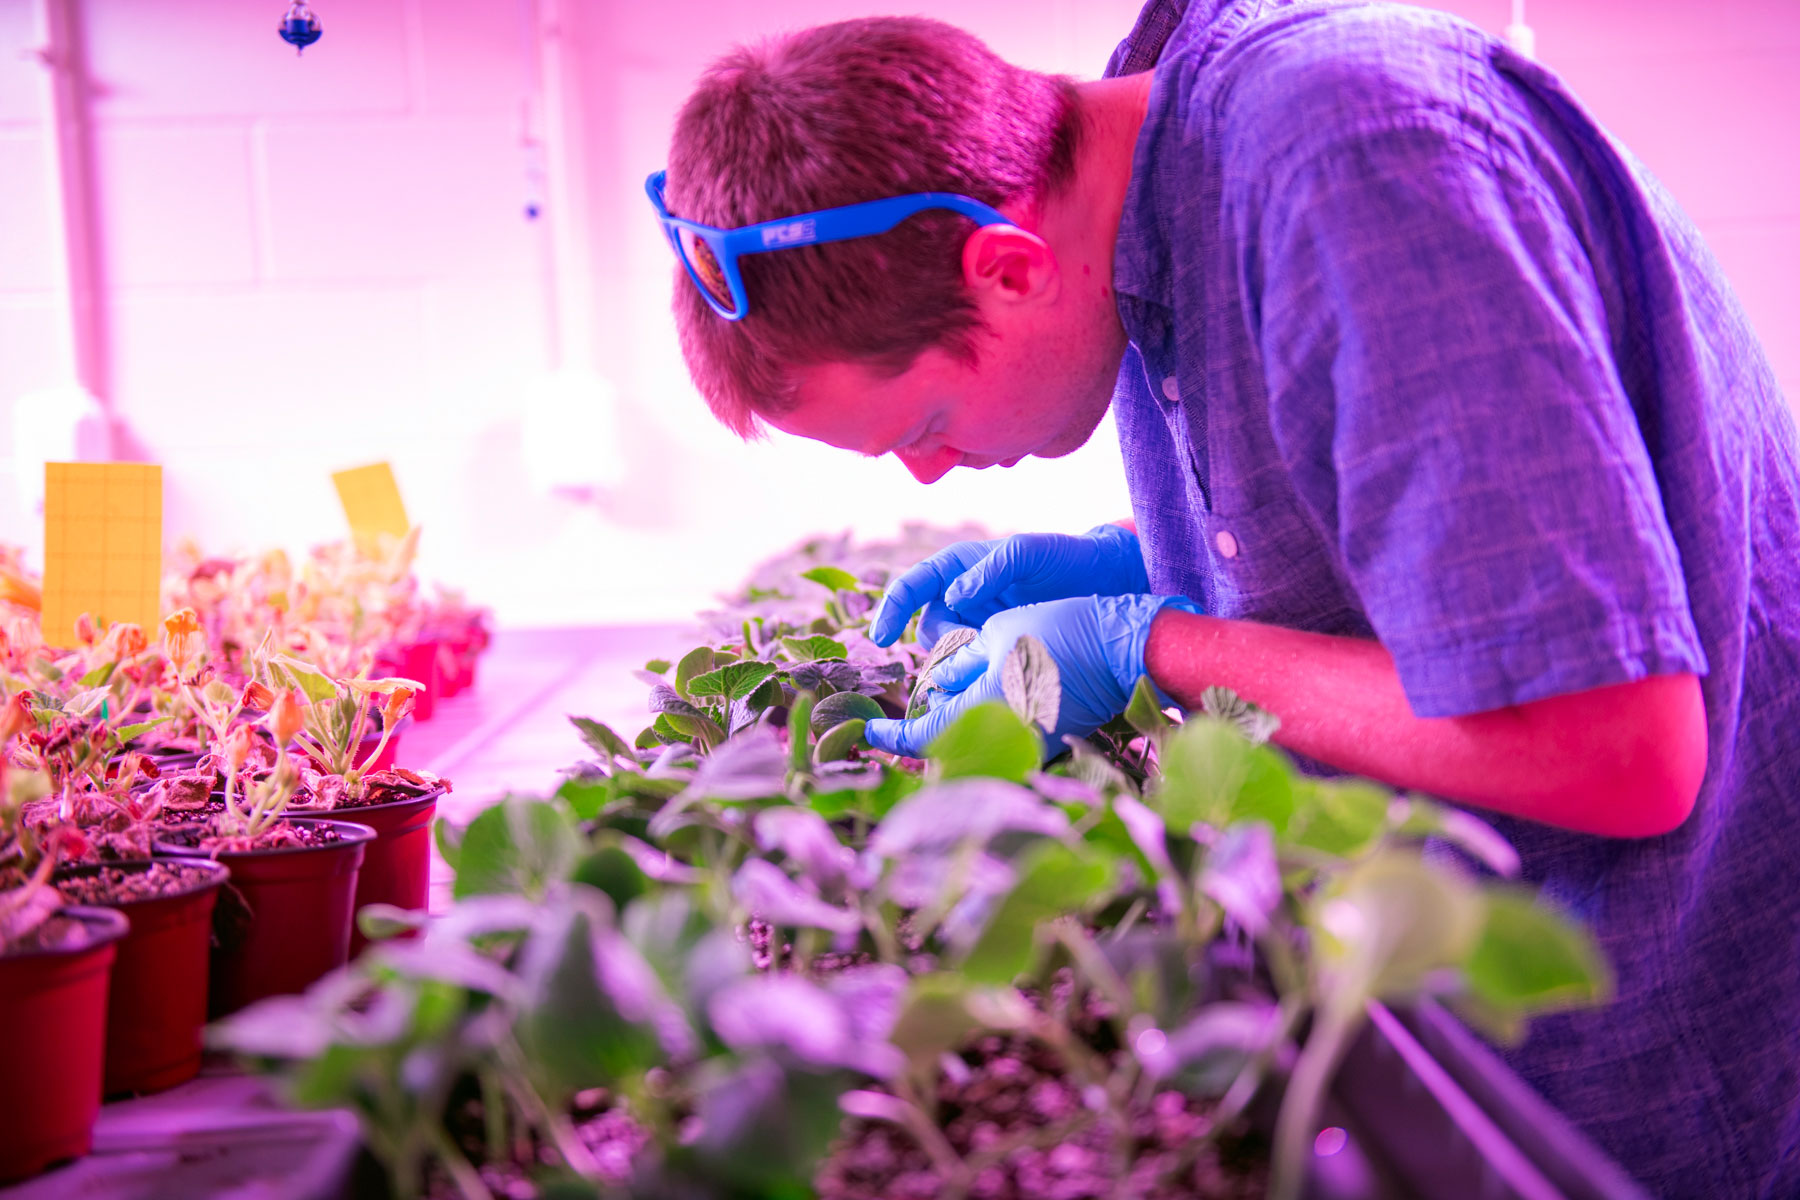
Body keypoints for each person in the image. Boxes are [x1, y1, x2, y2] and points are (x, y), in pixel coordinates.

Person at [646, 2, 1800, 1193]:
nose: (931, 471)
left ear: (1006, 265)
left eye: (925, 427)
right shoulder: (1151, 175)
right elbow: (1436, 515)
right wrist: (1151, 558)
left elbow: (1617, 746)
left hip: (1688, 1013)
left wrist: (1166, 643)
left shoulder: (1354, 162)